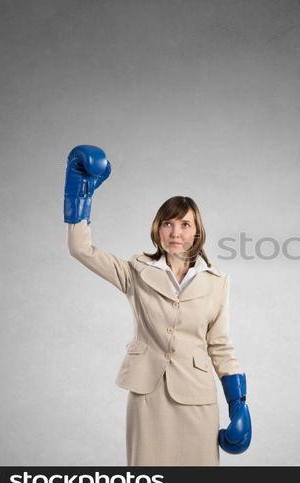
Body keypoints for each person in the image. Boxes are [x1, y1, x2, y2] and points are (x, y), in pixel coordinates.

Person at [63, 145, 251, 465]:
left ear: (197, 232)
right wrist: (79, 194)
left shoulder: (217, 281)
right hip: (148, 393)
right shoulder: (136, 271)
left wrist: (239, 403)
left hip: (197, 397)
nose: (175, 232)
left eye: (185, 225)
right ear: (158, 229)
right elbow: (82, 249)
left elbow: (219, 344)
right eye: (168, 224)